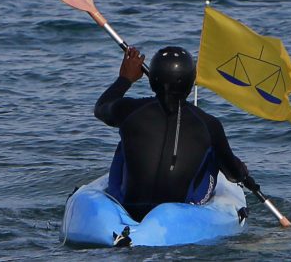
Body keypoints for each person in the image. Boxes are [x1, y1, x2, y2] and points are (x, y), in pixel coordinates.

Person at [95, 45, 258, 221]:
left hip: (129, 207)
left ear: (152, 81)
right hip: (180, 211)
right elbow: (233, 175)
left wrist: (125, 79)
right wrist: (241, 169)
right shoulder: (208, 124)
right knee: (212, 155)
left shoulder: (129, 111)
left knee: (126, 136)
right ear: (191, 82)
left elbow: (101, 107)